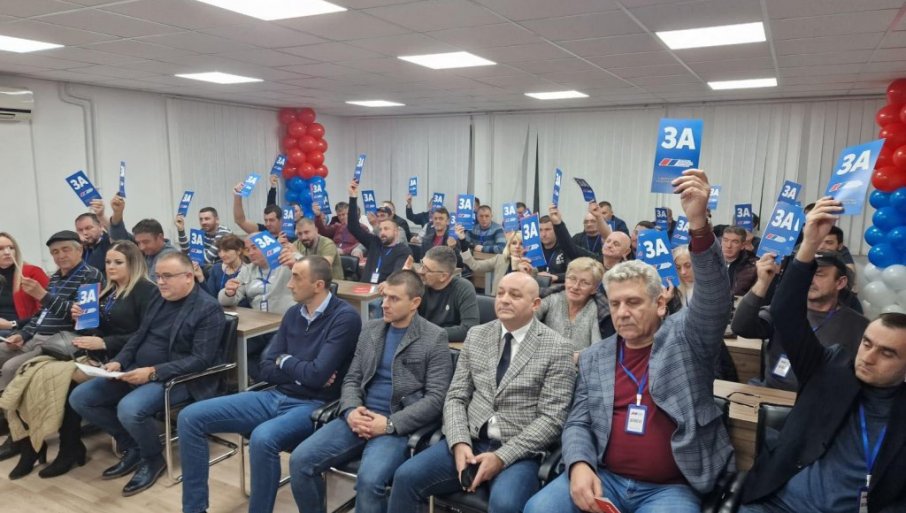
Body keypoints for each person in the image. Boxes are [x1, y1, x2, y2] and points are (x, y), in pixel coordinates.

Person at [524, 169, 734, 513]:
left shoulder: (686, 339)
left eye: (634, 302)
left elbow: (714, 298)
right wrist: (579, 465)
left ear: (660, 304)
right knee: (539, 509)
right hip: (605, 477)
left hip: (671, 488)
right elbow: (578, 422)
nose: (622, 313)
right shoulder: (595, 357)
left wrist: (698, 223)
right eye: (616, 303)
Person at [738, 197, 906, 513]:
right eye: (867, 344)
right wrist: (809, 243)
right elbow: (785, 310)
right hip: (779, 503)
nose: (868, 357)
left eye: (887, 353)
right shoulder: (831, 368)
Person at [178, 256, 361, 513]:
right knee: (190, 417)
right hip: (275, 394)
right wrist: (302, 371)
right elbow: (266, 367)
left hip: (314, 405)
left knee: (263, 438)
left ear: (318, 285)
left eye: (296, 277)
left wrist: (285, 361)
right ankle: (194, 509)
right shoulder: (293, 313)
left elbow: (317, 376)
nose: (289, 284)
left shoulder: (345, 318)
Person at [388, 272, 577, 513]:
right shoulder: (477, 335)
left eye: (515, 295)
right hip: (471, 440)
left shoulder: (558, 348)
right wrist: (459, 442)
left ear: (535, 304)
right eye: (500, 293)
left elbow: (552, 419)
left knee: (506, 504)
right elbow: (456, 396)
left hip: (519, 450)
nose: (504, 299)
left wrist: (502, 457)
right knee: (406, 477)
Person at [290, 270, 453, 513]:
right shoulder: (371, 329)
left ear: (415, 303)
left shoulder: (434, 337)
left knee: (369, 482)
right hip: (359, 416)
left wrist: (389, 424)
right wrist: (351, 410)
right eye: (384, 296)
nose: (384, 304)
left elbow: (436, 399)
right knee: (300, 460)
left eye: (394, 299)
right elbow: (352, 378)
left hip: (396, 425)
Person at [69, 252, 225, 497]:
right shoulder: (159, 298)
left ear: (188, 276)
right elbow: (138, 336)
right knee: (81, 398)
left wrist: (153, 372)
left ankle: (153, 459)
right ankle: (133, 446)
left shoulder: (208, 308)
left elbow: (200, 360)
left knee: (129, 409)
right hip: (135, 369)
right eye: (158, 276)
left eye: (167, 276)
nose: (160, 282)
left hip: (177, 378)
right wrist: (119, 361)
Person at [0, 241, 158, 479]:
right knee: (33, 375)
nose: (111, 267)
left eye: (118, 262)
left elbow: (145, 334)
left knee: (65, 383)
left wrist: (104, 342)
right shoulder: (108, 292)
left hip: (127, 358)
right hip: (99, 354)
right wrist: (80, 319)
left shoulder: (145, 290)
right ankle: (32, 444)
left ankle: (70, 447)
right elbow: (92, 329)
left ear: (133, 263)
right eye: (108, 262)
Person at [732, 251, 868, 392]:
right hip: (773, 393)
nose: (810, 279)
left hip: (821, 399)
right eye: (808, 273)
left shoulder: (859, 326)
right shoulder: (784, 310)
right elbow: (741, 327)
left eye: (818, 274)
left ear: (840, 282)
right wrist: (763, 282)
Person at [0, 231, 104, 392]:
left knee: (10, 367)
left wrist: (43, 295)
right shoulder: (55, 277)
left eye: (65, 249)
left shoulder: (90, 275)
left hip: (58, 340)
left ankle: (7, 407)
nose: (60, 255)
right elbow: (41, 314)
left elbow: (83, 320)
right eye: (55, 252)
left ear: (80, 250)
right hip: (35, 337)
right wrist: (23, 335)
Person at [220, 236, 294, 379]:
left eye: (255, 248)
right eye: (248, 249)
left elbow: (312, 270)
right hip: (258, 329)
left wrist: (296, 260)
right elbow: (225, 300)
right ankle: (258, 383)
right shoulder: (248, 270)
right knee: (233, 352)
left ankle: (268, 383)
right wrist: (229, 292)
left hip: (284, 326)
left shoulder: (286, 264)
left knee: (267, 358)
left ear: (268, 246)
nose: (250, 253)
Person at [347, 181, 412, 284]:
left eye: (386, 229)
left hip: (384, 290)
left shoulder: (403, 250)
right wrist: (353, 197)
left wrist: (386, 286)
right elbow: (353, 227)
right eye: (380, 229)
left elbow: (397, 275)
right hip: (364, 288)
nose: (382, 232)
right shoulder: (374, 242)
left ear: (396, 232)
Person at [535, 257, 604, 354]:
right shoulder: (552, 298)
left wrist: (573, 357)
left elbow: (597, 349)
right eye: (572, 279)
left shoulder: (595, 310)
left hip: (578, 363)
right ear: (565, 280)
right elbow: (527, 319)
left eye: (584, 283)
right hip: (542, 358)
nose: (575, 287)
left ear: (594, 289)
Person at [107, 194, 179, 282]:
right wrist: (117, 213)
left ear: (160, 237)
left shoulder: (169, 256)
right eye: (138, 243)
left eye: (146, 242)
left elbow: (154, 285)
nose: (141, 247)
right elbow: (119, 236)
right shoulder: (146, 250)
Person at [415, 246, 479, 342]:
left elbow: (469, 328)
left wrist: (429, 333)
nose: (420, 271)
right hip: (421, 342)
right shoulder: (419, 284)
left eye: (427, 269)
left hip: (448, 345)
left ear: (443, 276)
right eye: (422, 264)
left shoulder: (463, 288)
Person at [0, 232, 49, 338]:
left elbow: (47, 311)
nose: (7, 252)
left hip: (22, 330)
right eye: (1, 249)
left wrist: (12, 324)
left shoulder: (32, 273)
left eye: (11, 248)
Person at [458, 228, 534, 295]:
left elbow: (529, 291)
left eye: (521, 244)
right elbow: (475, 265)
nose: (517, 246)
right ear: (509, 246)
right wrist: (463, 240)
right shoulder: (500, 259)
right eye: (514, 243)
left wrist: (521, 271)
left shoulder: (530, 266)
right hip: (497, 301)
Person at [279, 217, 344, 281]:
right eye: (300, 234)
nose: (303, 237)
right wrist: (279, 246)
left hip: (332, 283)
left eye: (306, 232)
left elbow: (323, 269)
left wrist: (297, 255)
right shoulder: (297, 244)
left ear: (316, 230)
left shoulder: (328, 244)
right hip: (309, 282)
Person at [195, 234, 246, 299]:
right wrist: (200, 276)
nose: (222, 255)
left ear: (239, 251)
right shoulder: (216, 268)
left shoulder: (248, 270)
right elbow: (210, 296)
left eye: (226, 250)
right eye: (219, 251)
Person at [722, 225, 757, 296]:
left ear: (742, 246)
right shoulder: (710, 261)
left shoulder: (753, 266)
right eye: (725, 240)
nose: (728, 246)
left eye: (735, 242)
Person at [76, 211, 113, 277]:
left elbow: (116, 232)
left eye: (88, 228)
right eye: (80, 230)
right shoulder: (80, 248)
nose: (84, 233)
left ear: (100, 227)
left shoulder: (109, 242)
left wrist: (101, 215)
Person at [537, 215, 569, 284]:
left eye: (547, 229)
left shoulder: (566, 248)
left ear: (556, 230)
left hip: (560, 287)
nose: (543, 234)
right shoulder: (535, 249)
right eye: (540, 230)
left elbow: (574, 273)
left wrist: (556, 277)